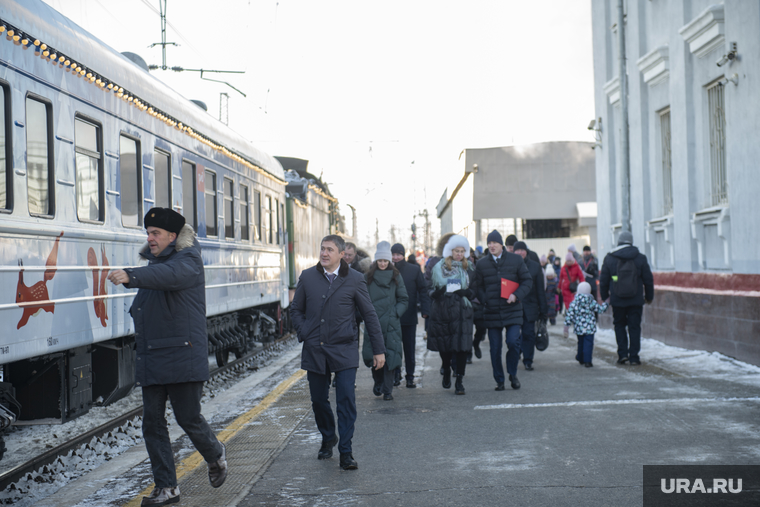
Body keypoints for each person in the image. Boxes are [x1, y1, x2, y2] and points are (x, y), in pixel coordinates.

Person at [107, 207, 227, 507]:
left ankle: (215, 454)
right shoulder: (154, 263)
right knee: (152, 424)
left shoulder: (187, 260)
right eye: (148, 233)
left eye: (156, 233)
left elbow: (169, 276)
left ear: (173, 236)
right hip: (154, 355)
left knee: (188, 418)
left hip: (182, 353)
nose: (150, 239)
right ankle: (167, 488)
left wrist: (131, 275)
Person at [290, 235, 386, 470]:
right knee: (319, 400)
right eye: (322, 248)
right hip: (315, 348)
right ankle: (328, 436)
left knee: (345, 399)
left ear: (342, 254)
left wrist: (379, 350)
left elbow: (369, 314)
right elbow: (296, 309)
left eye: (330, 250)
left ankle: (346, 451)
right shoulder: (308, 277)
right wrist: (305, 331)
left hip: (344, 348)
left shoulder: (354, 279)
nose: (324, 253)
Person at [474, 230, 532, 391]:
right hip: (492, 311)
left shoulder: (515, 260)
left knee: (513, 342)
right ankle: (499, 380)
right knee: (495, 348)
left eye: (495, 243)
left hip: (512, 309)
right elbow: (478, 286)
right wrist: (485, 299)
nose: (492, 246)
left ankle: (512, 373)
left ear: (501, 245)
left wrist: (516, 295)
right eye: (489, 243)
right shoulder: (482, 263)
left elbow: (527, 281)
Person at [360, 242, 407, 402]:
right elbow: (361, 299)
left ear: (389, 261)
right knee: (374, 355)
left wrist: (395, 313)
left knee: (391, 356)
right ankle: (378, 382)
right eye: (380, 260)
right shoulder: (368, 278)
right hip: (373, 323)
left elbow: (403, 299)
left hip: (391, 323)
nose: (382, 263)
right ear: (376, 261)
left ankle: (388, 391)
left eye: (385, 261)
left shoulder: (396, 276)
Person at [428, 235, 474, 395]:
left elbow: (475, 287)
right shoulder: (438, 267)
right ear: (450, 251)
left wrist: (468, 292)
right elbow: (430, 287)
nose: (459, 254)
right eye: (456, 251)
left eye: (462, 251)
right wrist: (438, 292)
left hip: (462, 312)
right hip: (443, 311)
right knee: (445, 347)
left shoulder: (469, 268)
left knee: (462, 347)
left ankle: (459, 380)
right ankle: (446, 368)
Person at [599, 231, 655, 365]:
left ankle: (622, 354)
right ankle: (634, 356)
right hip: (635, 300)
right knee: (634, 327)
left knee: (619, 326)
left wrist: (606, 296)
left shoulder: (610, 258)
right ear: (631, 241)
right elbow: (648, 280)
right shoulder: (640, 258)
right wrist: (649, 296)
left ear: (619, 242)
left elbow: (603, 280)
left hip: (617, 300)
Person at [391, 243, 430, 388]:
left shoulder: (413, 270)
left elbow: (423, 290)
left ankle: (410, 376)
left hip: (409, 315)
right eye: (394, 254)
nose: (396, 257)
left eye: (398, 254)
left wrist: (426, 310)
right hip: (392, 316)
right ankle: (395, 374)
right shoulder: (387, 269)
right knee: (394, 348)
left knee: (409, 347)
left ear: (403, 255)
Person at [513, 241, 547, 371]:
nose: (520, 252)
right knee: (514, 335)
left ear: (526, 251)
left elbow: (540, 290)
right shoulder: (510, 265)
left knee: (528, 334)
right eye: (517, 250)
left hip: (530, 306)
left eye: (522, 250)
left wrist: (543, 309)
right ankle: (515, 357)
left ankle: (528, 360)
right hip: (514, 306)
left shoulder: (534, 266)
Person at [564, 282, 609, 367]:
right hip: (590, 327)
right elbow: (600, 309)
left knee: (580, 343)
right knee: (588, 343)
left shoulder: (574, 303)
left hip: (579, 328)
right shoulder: (591, 302)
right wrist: (606, 302)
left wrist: (566, 328)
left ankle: (580, 358)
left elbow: (569, 315)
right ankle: (588, 361)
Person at [559, 252, 585, 338]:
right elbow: (561, 278)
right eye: (567, 261)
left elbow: (581, 277)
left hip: (574, 290)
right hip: (565, 291)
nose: (569, 262)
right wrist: (559, 288)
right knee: (569, 308)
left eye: (570, 260)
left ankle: (574, 323)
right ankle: (569, 326)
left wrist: (583, 287)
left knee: (574, 307)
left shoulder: (577, 267)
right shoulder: (563, 268)